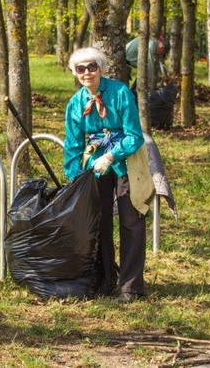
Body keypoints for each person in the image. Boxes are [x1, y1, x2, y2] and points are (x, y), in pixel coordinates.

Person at [63, 47, 147, 303]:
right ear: (75, 73)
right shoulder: (76, 103)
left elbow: (135, 135)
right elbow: (73, 145)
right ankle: (105, 281)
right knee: (99, 224)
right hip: (94, 166)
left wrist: (111, 156)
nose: (87, 73)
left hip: (125, 161)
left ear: (100, 68)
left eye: (92, 67)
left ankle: (131, 287)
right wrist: (77, 178)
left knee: (131, 221)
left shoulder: (120, 92)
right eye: (81, 69)